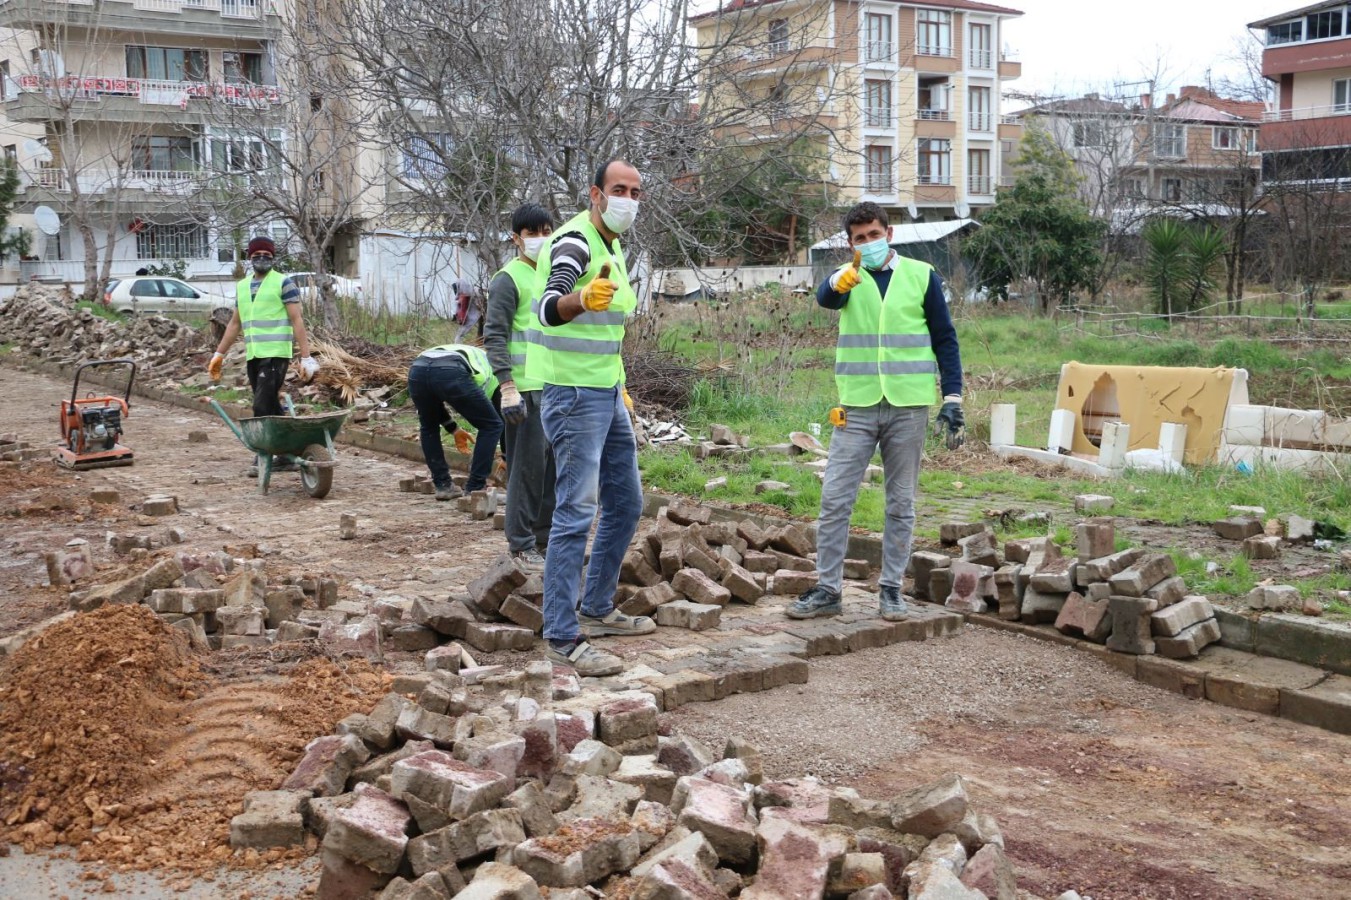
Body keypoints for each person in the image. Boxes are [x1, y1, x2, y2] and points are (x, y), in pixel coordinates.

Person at [787, 201, 964, 622]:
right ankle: (828, 589)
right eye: (859, 238)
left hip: (908, 406)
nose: (867, 243)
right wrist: (839, 279)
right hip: (858, 405)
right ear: (849, 243)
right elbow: (825, 298)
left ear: (890, 234)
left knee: (901, 502)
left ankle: (891, 590)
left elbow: (945, 338)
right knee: (834, 499)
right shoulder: (846, 278)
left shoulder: (922, 276)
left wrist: (953, 398)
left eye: (874, 235)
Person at [525, 158, 654, 677]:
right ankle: (562, 634)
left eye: (636, 191)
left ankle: (597, 608)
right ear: (595, 194)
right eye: (618, 189)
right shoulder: (575, 243)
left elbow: (607, 333)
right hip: (573, 396)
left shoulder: (612, 245)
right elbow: (549, 306)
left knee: (626, 502)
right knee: (576, 512)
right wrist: (578, 299)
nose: (628, 199)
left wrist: (621, 388)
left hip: (604, 390)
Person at [482, 202, 557, 571]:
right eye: (532, 233)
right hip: (523, 391)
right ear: (516, 238)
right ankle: (522, 543)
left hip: (556, 387)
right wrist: (506, 385)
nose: (541, 239)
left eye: (547, 232)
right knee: (527, 471)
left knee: (555, 472)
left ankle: (545, 540)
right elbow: (494, 335)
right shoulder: (508, 279)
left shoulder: (557, 276)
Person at [207, 236, 319, 473]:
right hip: (254, 355)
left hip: (277, 354)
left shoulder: (283, 283)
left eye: (266, 256)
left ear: (273, 258)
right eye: (257, 255)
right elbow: (235, 324)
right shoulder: (242, 286)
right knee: (269, 403)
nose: (261, 259)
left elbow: (297, 320)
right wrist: (219, 354)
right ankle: (288, 453)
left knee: (260, 405)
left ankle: (263, 455)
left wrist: (306, 356)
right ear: (250, 258)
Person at [407, 343, 504, 502]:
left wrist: (453, 429)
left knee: (428, 426)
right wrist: (506, 456)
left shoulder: (474, 354)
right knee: (492, 425)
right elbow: (498, 418)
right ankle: (476, 488)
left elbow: (435, 403)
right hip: (451, 370)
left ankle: (443, 486)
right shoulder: (498, 372)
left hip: (418, 369)